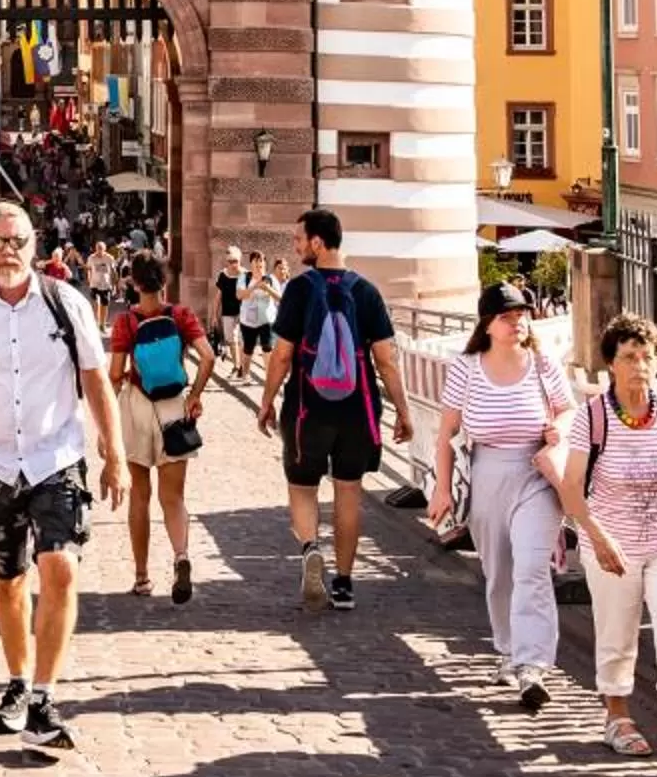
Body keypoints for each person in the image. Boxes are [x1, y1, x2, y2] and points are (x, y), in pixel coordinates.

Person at [0, 202, 124, 749]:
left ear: (35, 245)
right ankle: (17, 681)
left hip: (56, 458)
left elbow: (96, 380)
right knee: (8, 581)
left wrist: (115, 451)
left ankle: (43, 696)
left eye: (18, 241)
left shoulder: (66, 303)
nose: (8, 251)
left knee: (60, 568)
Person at [563, 311, 657, 777]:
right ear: (611, 364)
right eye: (629, 357)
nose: (640, 366)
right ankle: (617, 716)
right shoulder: (593, 417)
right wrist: (597, 536)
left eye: (648, 356)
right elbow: (571, 488)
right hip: (612, 543)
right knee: (618, 635)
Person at [257, 207, 411, 612]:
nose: (295, 247)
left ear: (317, 242)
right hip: (358, 411)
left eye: (298, 240)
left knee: (302, 487)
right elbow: (386, 360)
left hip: (307, 409)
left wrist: (267, 400)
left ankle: (310, 548)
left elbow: (282, 355)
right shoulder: (367, 291)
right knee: (348, 492)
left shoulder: (299, 289)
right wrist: (403, 411)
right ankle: (344, 584)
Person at [433, 281, 574, 708]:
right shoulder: (467, 368)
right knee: (500, 573)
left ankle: (532, 665)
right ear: (487, 325)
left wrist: (559, 428)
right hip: (487, 471)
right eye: (507, 317)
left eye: (521, 315)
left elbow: (568, 409)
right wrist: (441, 488)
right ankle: (509, 650)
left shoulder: (543, 363)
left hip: (536, 471)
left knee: (531, 566)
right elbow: (446, 431)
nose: (517, 323)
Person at [107, 251, 214, 605]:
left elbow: (114, 374)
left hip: (137, 405)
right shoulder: (180, 315)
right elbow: (208, 357)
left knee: (140, 495)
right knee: (174, 497)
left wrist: (108, 422)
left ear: (134, 283)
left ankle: (142, 577)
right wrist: (195, 395)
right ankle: (181, 555)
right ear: (164, 281)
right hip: (174, 408)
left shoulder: (126, 322)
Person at [236, 251, 279, 386]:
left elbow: (281, 298)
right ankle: (246, 374)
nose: (259, 264)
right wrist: (254, 286)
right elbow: (239, 295)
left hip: (267, 319)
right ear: (251, 263)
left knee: (267, 348)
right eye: (256, 261)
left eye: (261, 261)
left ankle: (269, 377)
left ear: (265, 264)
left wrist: (268, 288)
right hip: (248, 320)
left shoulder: (271, 279)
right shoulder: (244, 277)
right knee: (248, 348)